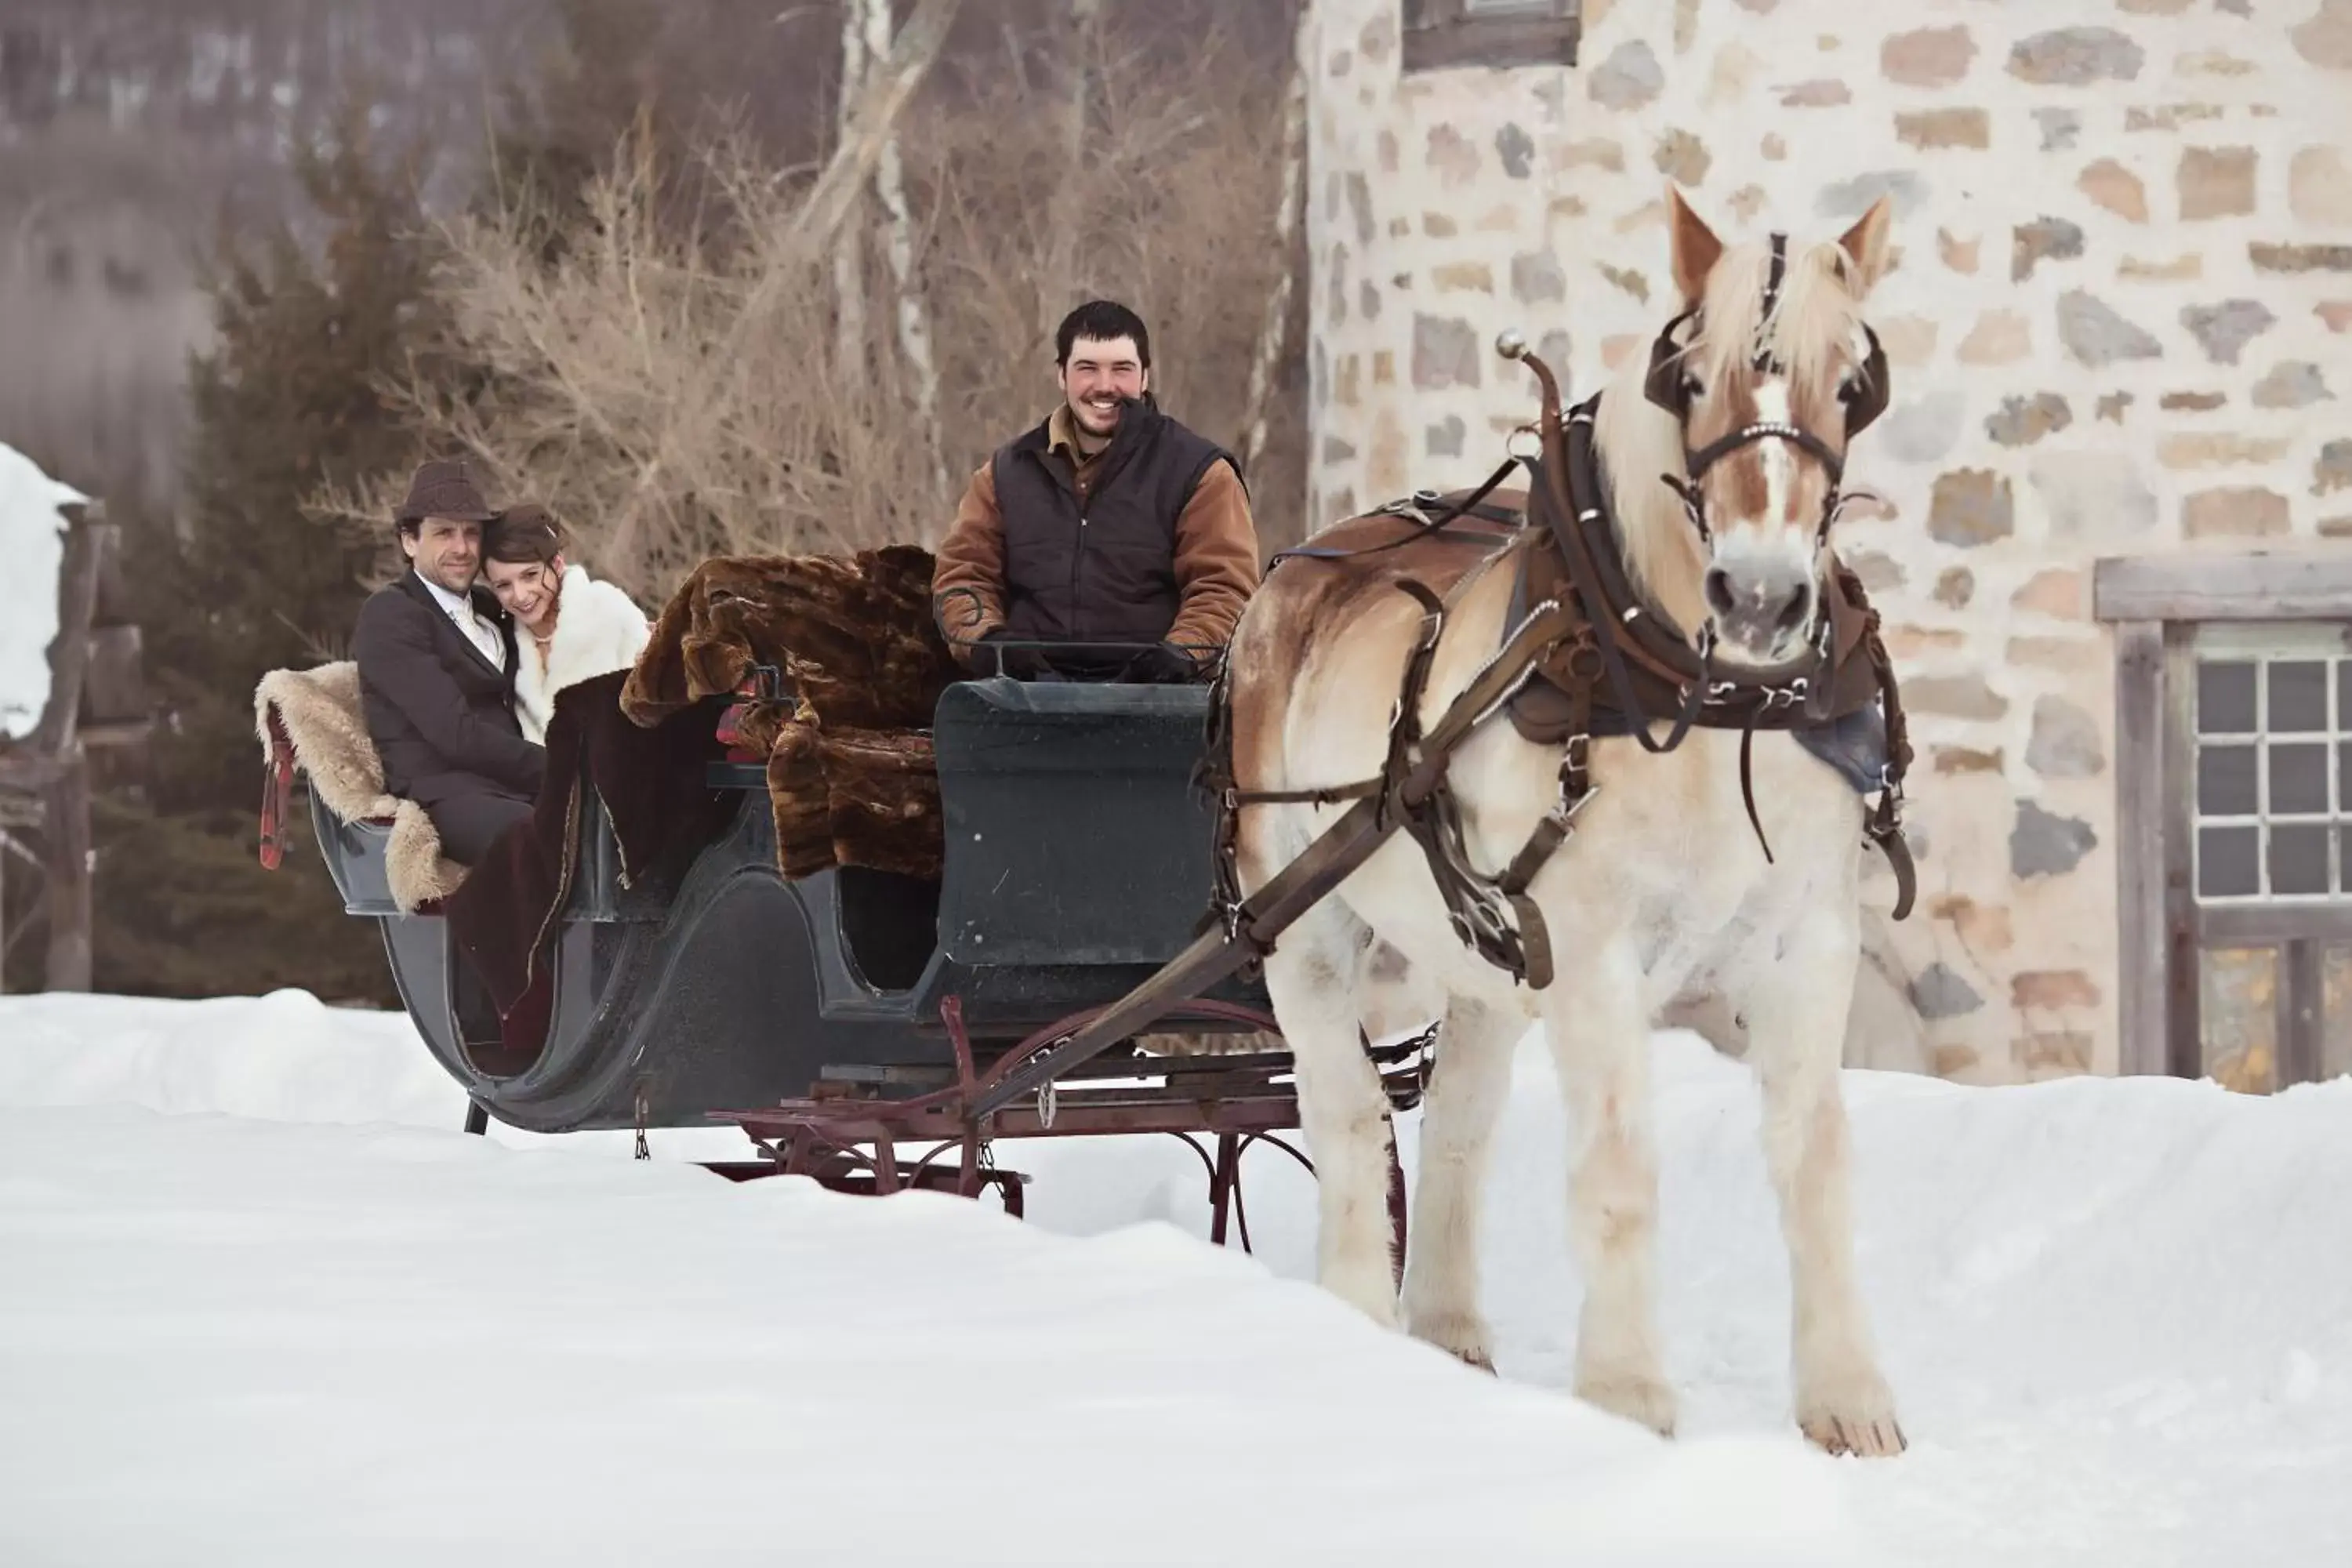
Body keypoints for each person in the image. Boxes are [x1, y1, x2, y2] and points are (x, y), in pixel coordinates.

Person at [931, 299, 1261, 682]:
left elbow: (1225, 588)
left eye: (1121, 369)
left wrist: (1181, 655)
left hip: (1160, 701)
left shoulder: (1200, 473)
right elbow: (962, 575)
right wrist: (990, 644)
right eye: (1087, 368)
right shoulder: (1006, 472)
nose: (1105, 386)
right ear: (1062, 375)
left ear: (1144, 378)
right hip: (1024, 699)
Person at [352, 459, 542, 866]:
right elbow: (456, 734)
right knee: (530, 834)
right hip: (446, 794)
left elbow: (554, 643)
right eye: (443, 533)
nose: (461, 548)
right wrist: (560, 768)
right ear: (409, 541)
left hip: (513, 786)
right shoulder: (391, 615)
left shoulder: (492, 608)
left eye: (471, 533)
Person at [479, 504, 652, 742]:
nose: (519, 595)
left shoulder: (608, 609)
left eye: (530, 575)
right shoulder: (501, 642)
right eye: (503, 585)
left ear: (557, 564)